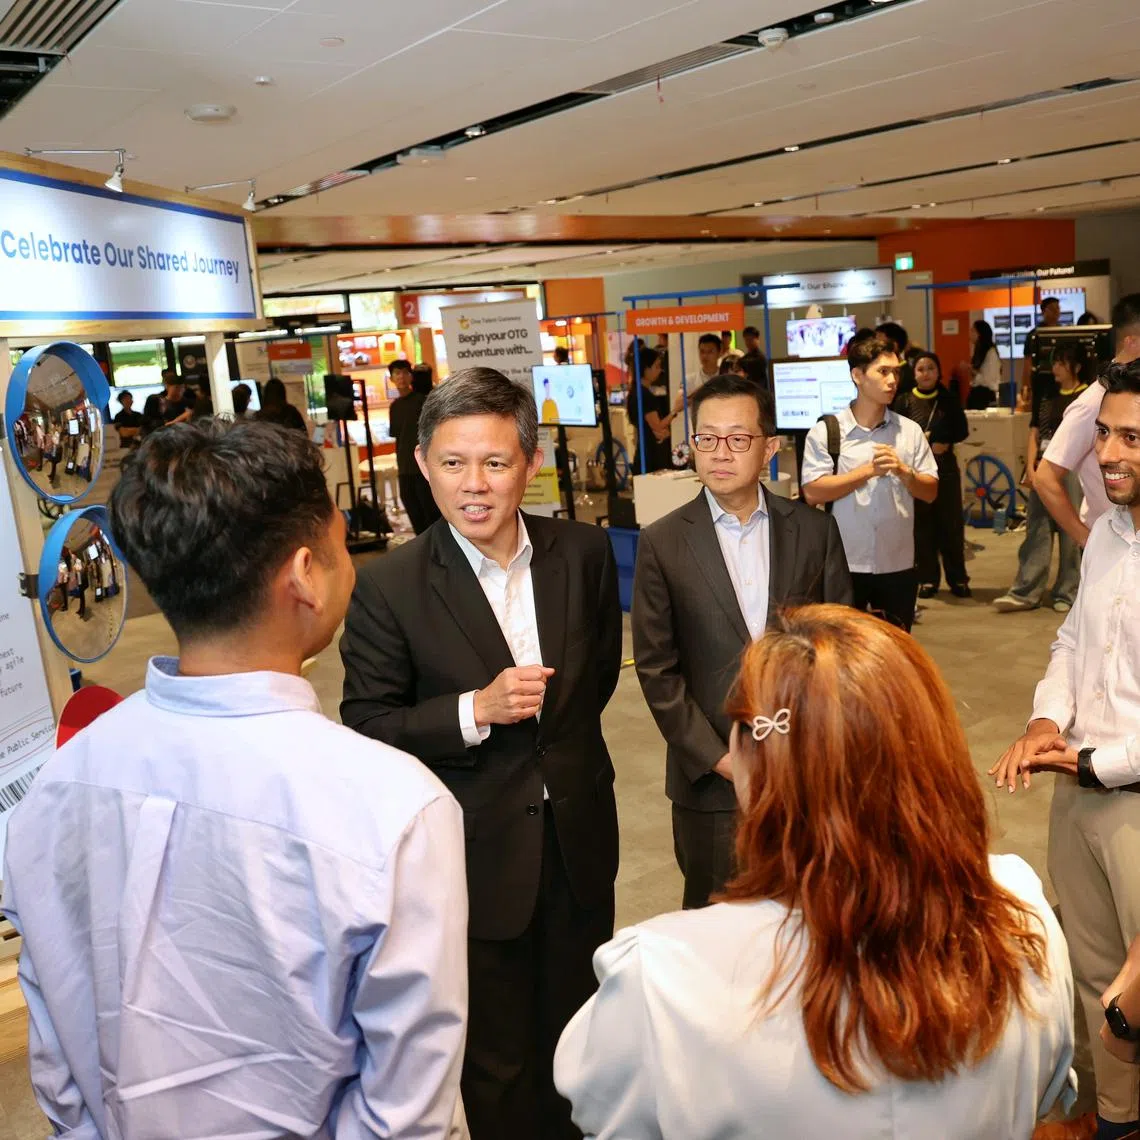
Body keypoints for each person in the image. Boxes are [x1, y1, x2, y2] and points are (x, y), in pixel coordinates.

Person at [0, 419, 468, 1139]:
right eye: (342, 544)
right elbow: (406, 1109)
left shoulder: (62, 782)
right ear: (305, 574)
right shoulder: (392, 807)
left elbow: (59, 1067)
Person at [557, 606, 1076, 1139]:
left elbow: (607, 1115)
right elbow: (1052, 1085)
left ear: (750, 765)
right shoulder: (1022, 912)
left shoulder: (662, 978)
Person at [340, 368, 623, 1140]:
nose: (475, 485)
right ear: (423, 463)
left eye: (495, 463)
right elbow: (366, 724)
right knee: (495, 1064)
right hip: (470, 859)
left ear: (530, 464)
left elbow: (593, 683)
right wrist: (475, 711)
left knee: (583, 1041)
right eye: (454, 463)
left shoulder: (585, 553)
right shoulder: (391, 586)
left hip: (577, 844)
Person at [632, 375, 852, 910]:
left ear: (769, 447)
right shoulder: (663, 542)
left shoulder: (813, 532)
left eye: (737, 438)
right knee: (716, 927)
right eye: (706, 439)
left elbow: (843, 647)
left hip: (808, 770)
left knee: (814, 918)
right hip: (711, 783)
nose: (719, 453)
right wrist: (723, 761)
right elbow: (658, 671)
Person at [990, 359, 1140, 1140]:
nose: (1107, 453)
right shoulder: (1109, 534)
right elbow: (1073, 640)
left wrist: (1092, 762)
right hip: (1076, 789)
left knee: (1137, 989)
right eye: (1105, 432)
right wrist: (1048, 722)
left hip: (1130, 800)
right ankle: (1117, 1120)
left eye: (1131, 437)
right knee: (1092, 978)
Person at [801, 332, 939, 631]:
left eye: (896, 372)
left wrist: (905, 472)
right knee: (842, 650)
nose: (893, 381)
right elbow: (812, 491)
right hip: (844, 564)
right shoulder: (827, 432)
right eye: (883, 371)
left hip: (898, 563)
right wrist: (867, 471)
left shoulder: (909, 432)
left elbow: (930, 491)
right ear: (857, 375)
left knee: (895, 652)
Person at [994, 341, 1093, 614]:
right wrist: (1031, 467)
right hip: (1044, 465)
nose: (1056, 368)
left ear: (1077, 365)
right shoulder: (1047, 394)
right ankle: (1026, 591)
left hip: (1073, 468)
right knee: (1036, 528)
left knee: (1070, 529)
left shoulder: (1087, 397)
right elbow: (1035, 430)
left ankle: (1068, 591)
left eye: (1062, 362)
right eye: (1055, 362)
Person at [1034, 295, 1140, 550]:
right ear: (1132, 342)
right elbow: (1045, 477)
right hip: (1112, 545)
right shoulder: (1093, 401)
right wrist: (1086, 539)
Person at [897, 351, 971, 598]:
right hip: (915, 473)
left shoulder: (948, 399)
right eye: (920, 369)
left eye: (930, 368)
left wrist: (946, 441)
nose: (925, 373)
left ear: (938, 371)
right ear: (914, 373)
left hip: (945, 471)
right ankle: (927, 579)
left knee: (951, 527)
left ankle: (958, 579)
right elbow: (898, 437)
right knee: (921, 528)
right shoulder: (904, 401)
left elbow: (962, 430)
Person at [387, 358, 441, 535]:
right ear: (392, 378)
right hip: (404, 467)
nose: (401, 377)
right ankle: (424, 552)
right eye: (397, 373)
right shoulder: (394, 407)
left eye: (404, 372)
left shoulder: (421, 400)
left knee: (430, 513)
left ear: (411, 377)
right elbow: (397, 437)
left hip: (423, 467)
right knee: (412, 509)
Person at [626, 345, 674, 473]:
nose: (660, 370)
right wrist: (675, 411)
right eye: (657, 366)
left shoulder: (635, 392)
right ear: (646, 369)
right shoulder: (645, 395)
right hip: (651, 455)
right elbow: (657, 426)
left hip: (645, 451)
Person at [1022, 297, 1063, 422]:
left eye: (1058, 308)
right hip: (1040, 382)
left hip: (1060, 383)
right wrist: (1026, 387)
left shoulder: (1063, 333)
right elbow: (1028, 362)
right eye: (1052, 308)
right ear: (1044, 311)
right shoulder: (1034, 335)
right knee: (1039, 418)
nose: (1056, 312)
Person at [969, 318, 1003, 408]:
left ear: (980, 334)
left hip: (986, 396)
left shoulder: (991, 353)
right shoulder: (978, 351)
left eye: (973, 331)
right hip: (977, 395)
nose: (970, 334)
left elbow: (989, 380)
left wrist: (972, 371)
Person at [740, 324, 769, 389]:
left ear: (757, 339)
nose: (748, 342)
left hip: (759, 390)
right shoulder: (745, 358)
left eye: (751, 339)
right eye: (746, 340)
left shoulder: (760, 358)